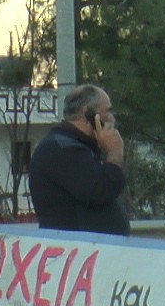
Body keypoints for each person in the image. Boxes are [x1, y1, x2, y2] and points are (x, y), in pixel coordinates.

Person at [30, 84, 130, 235]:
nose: (112, 118)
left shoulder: (76, 146)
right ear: (88, 112)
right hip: (77, 253)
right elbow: (101, 190)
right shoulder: (63, 149)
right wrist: (114, 153)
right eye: (108, 111)